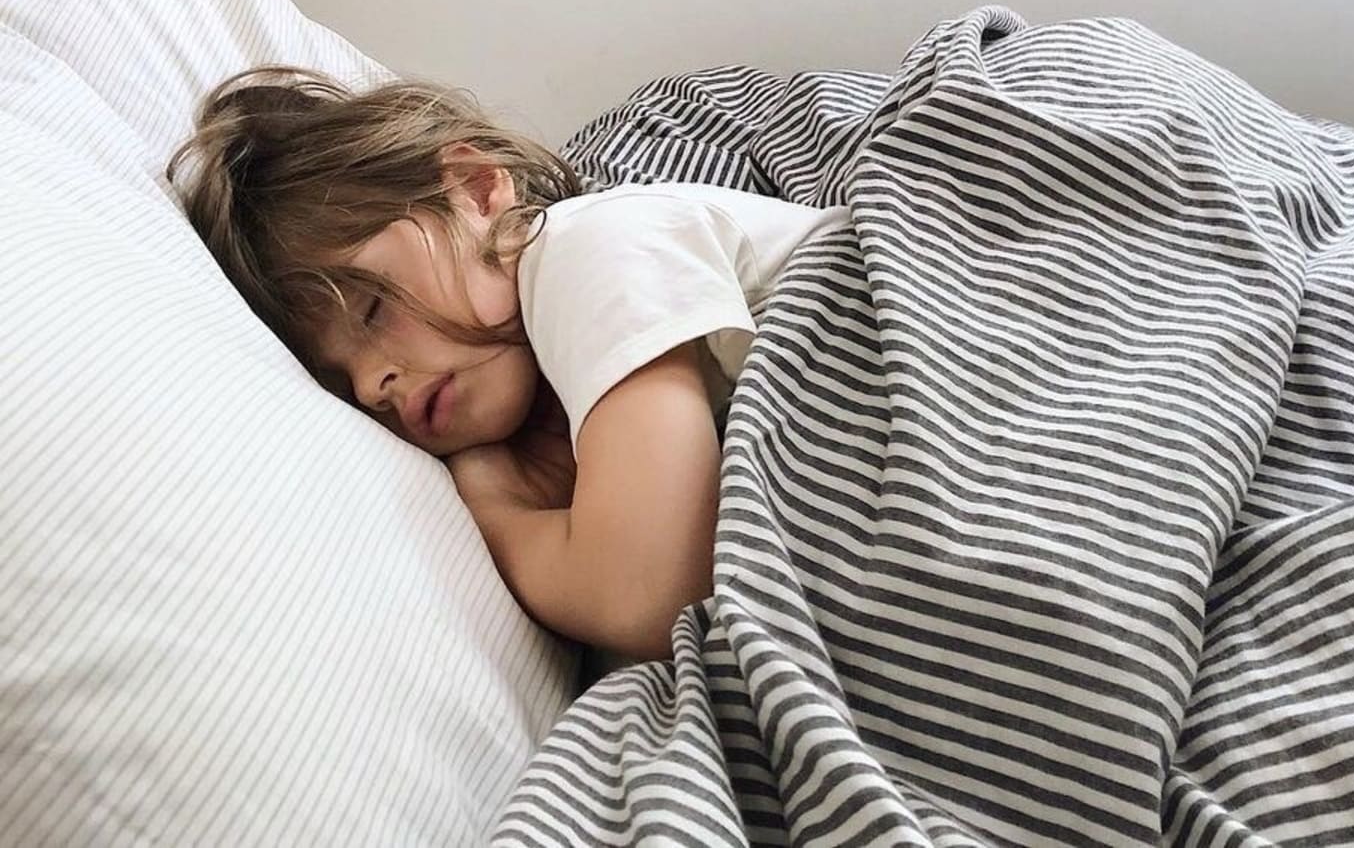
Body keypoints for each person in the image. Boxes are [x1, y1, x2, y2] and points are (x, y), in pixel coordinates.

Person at [168, 66, 847, 663]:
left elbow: (644, 592)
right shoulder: (553, 400)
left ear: (476, 188)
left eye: (374, 308)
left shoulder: (587, 247)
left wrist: (498, 513)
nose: (375, 384)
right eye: (345, 384)